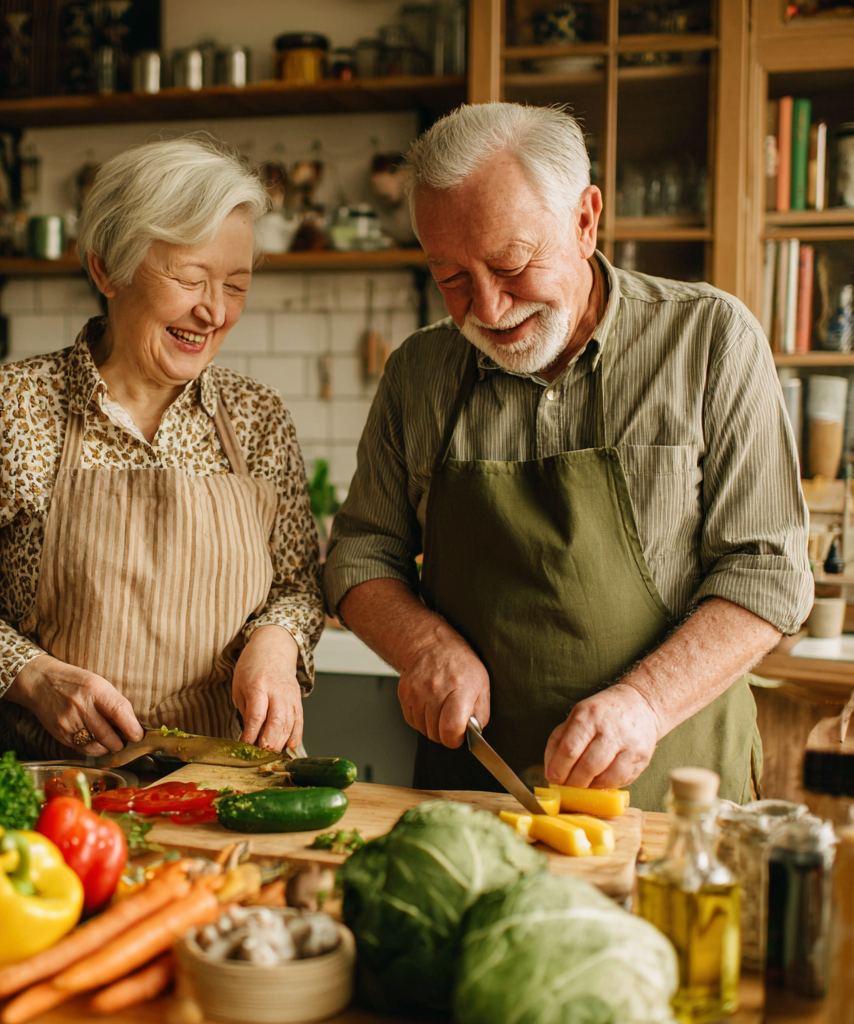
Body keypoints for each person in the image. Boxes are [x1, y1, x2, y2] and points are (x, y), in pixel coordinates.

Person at [323, 103, 812, 811]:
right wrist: (423, 646)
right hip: (472, 802)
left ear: (586, 220)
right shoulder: (419, 374)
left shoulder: (709, 340)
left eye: (511, 263)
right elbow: (361, 553)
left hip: (672, 796)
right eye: (451, 276)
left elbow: (768, 569)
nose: (487, 308)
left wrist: (644, 702)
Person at [0, 136, 323, 761]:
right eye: (190, 278)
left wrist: (277, 645)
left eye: (236, 285)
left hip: (222, 781)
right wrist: (35, 677)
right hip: (51, 781)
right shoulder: (9, 405)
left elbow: (298, 583)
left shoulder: (257, 418)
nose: (213, 312)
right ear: (106, 270)